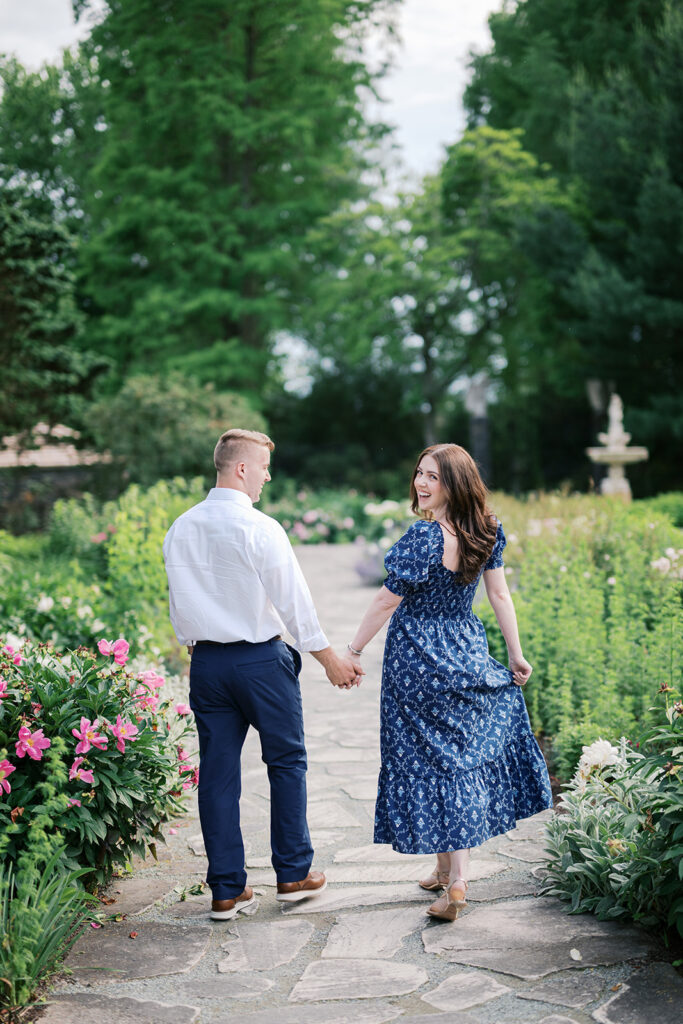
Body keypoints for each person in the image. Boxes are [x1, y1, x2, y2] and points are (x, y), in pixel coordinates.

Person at [346, 443, 552, 921]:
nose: (421, 483)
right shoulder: (487, 530)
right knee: (453, 754)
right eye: (419, 473)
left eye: (433, 477)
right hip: (463, 648)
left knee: (435, 761)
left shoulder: (424, 538)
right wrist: (515, 655)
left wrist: (352, 651)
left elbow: (384, 602)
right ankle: (444, 869)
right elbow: (499, 596)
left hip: (417, 659)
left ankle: (458, 881)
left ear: (454, 483)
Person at [163, 428, 362, 921]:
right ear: (242, 468)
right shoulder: (261, 527)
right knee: (286, 763)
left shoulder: (180, 527)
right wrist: (330, 659)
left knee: (218, 774)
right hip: (259, 663)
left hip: (206, 663)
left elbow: (179, 605)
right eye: (264, 467)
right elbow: (294, 604)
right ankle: (293, 874)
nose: (268, 477)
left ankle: (226, 889)